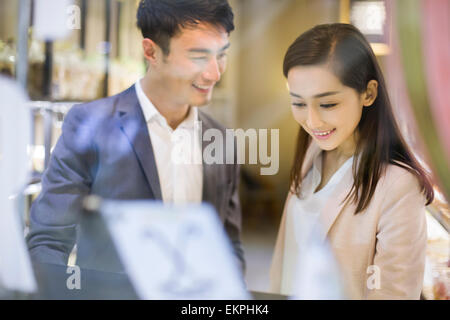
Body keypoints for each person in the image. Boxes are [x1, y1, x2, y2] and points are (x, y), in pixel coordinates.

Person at [26, 0, 245, 274]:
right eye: (198, 56)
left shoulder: (222, 140)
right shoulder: (90, 125)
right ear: (151, 52)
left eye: (221, 54)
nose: (214, 73)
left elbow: (229, 247)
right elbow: (49, 240)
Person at [270, 23, 434, 299]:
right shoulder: (311, 151)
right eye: (298, 103)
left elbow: (394, 293)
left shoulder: (398, 185)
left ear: (368, 93)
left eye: (328, 104)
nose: (312, 121)